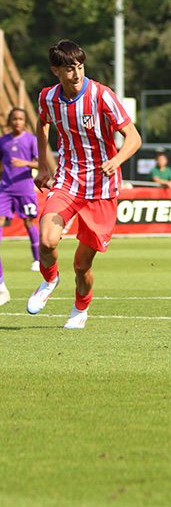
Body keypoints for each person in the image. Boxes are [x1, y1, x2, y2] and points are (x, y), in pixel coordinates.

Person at [26, 39, 142, 329]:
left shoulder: (102, 95)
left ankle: (80, 309)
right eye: (68, 69)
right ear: (56, 71)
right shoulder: (47, 98)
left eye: (79, 66)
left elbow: (134, 138)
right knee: (47, 241)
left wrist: (116, 161)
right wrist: (43, 165)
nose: (76, 74)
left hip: (102, 188)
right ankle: (50, 279)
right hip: (67, 180)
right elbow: (42, 124)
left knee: (82, 265)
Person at [0, 107, 41, 304]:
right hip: (5, 189)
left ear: (25, 122)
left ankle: (37, 259)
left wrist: (24, 163)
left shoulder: (31, 140)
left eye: (21, 119)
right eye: (14, 118)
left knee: (28, 223)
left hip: (25, 188)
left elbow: (40, 164)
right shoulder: (3, 141)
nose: (17, 122)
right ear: (10, 121)